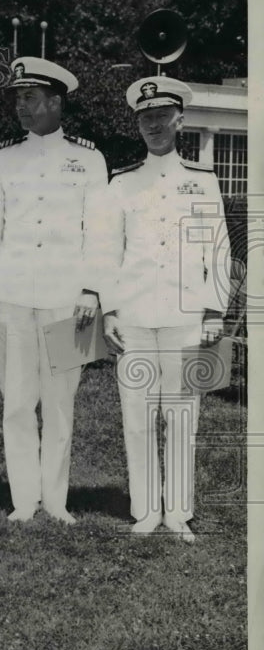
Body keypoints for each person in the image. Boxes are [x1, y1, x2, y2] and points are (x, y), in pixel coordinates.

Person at [101, 76, 231, 542]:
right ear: (137, 122)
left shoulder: (201, 181)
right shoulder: (122, 182)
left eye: (161, 116)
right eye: (144, 117)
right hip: (134, 316)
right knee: (136, 414)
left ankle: (177, 511)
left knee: (181, 414)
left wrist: (214, 310)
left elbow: (216, 251)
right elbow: (107, 251)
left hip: (183, 316)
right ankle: (144, 509)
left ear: (180, 119)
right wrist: (111, 310)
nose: (153, 124)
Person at [0, 56, 108, 525]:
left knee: (60, 403)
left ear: (56, 101)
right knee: (16, 400)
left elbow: (97, 232)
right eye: (18, 97)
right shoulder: (0, 157)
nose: (21, 106)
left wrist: (92, 291)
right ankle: (23, 499)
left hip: (65, 297)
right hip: (14, 292)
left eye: (30, 97)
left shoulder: (89, 159)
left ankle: (55, 500)